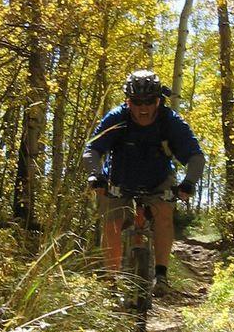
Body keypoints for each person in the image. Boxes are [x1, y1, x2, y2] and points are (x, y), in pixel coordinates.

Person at [83, 70, 205, 295]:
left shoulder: (170, 122)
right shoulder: (117, 118)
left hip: (158, 181)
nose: (143, 107)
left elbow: (195, 156)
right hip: (119, 180)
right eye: (136, 101)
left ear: (159, 99)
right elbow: (92, 149)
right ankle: (111, 281)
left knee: (163, 215)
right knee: (112, 222)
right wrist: (96, 175)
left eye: (149, 101)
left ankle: (161, 276)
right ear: (127, 100)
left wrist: (188, 182)